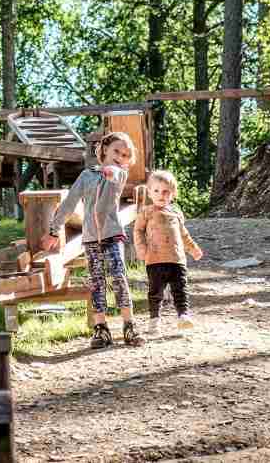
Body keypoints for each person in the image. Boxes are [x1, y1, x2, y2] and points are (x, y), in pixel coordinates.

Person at [42, 132, 143, 349]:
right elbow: (69, 203)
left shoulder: (119, 174)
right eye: (116, 151)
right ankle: (101, 329)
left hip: (112, 235)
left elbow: (114, 174)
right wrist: (53, 230)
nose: (120, 157)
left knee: (118, 277)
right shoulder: (86, 176)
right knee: (96, 282)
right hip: (90, 239)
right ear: (104, 149)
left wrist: (112, 170)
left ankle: (129, 324)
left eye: (125, 155)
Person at [133, 169, 204, 335]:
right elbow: (137, 231)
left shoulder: (176, 213)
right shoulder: (146, 212)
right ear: (150, 192)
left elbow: (183, 234)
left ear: (172, 194)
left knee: (180, 289)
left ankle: (183, 316)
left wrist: (193, 248)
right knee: (155, 291)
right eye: (156, 191)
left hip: (177, 259)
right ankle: (154, 319)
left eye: (165, 191)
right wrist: (141, 249)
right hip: (155, 259)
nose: (161, 195)